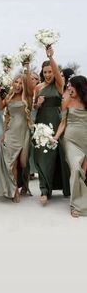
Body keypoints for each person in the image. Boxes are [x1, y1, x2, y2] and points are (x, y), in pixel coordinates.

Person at [33, 46, 70, 205]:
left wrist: (50, 56)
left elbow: (56, 73)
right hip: (41, 122)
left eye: (50, 71)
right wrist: (37, 104)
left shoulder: (59, 85)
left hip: (56, 122)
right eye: (45, 72)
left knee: (57, 155)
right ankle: (44, 190)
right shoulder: (38, 87)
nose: (48, 75)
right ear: (42, 73)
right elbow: (34, 106)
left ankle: (62, 187)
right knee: (42, 155)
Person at [0, 66, 33, 203]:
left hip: (24, 133)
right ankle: (14, 190)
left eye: (20, 83)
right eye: (16, 82)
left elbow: (30, 86)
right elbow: (2, 110)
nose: (17, 85)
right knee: (12, 162)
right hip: (11, 133)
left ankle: (24, 184)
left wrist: (27, 67)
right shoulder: (10, 97)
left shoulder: (28, 97)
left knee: (23, 163)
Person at [54, 75, 87, 217]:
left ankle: (82, 200)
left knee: (83, 173)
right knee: (75, 169)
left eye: (70, 85)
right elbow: (63, 122)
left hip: (85, 140)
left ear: (79, 86)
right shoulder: (67, 101)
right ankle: (76, 206)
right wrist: (55, 137)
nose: (68, 88)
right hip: (70, 140)